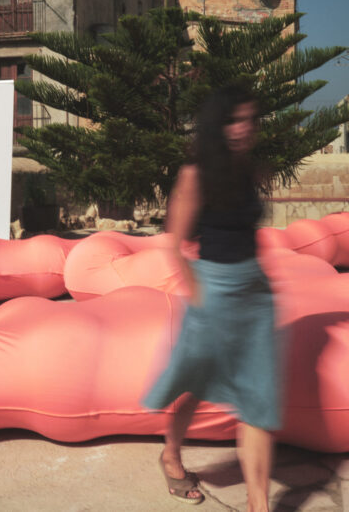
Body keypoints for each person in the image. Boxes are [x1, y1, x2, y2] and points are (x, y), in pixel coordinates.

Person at [141, 85, 282, 510]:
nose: (243, 129)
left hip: (255, 295)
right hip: (214, 293)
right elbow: (174, 243)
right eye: (233, 120)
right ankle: (170, 454)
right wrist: (200, 296)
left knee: (258, 399)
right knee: (195, 384)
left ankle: (259, 504)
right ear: (216, 127)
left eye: (250, 120)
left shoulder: (251, 170)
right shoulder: (194, 175)